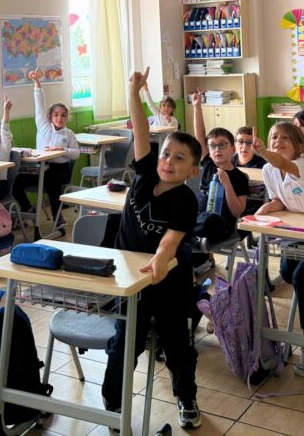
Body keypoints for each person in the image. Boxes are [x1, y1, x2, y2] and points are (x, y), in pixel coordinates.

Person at [103, 68, 201, 431]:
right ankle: (113, 404)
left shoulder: (185, 200)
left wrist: (159, 260)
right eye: (167, 154)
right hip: (130, 279)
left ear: (193, 171)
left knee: (177, 345)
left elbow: (170, 241)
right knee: (124, 343)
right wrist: (133, 92)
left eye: (180, 158)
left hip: (168, 282)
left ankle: (186, 396)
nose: (169, 161)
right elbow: (141, 130)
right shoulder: (145, 175)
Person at [254, 123, 304, 378]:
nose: (278, 141)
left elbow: (282, 163)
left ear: (299, 146)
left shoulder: (301, 166)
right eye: (274, 137)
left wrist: (263, 151)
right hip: (300, 234)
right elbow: (280, 199)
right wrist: (267, 209)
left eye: (285, 138)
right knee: (288, 273)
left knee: (301, 276)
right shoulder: (268, 170)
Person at [13, 68, 81, 231]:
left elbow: (76, 153)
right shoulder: (43, 126)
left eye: (63, 115)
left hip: (60, 170)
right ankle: (28, 208)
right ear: (50, 116)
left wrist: (62, 149)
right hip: (40, 167)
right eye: (56, 114)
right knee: (16, 181)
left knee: (51, 181)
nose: (59, 118)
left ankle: (58, 218)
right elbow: (39, 103)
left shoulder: (69, 134)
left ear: (67, 117)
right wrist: (37, 83)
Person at [190, 90, 249, 246]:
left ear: (233, 149)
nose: (217, 150)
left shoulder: (239, 177)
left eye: (222, 145)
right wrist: (197, 107)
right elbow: (200, 137)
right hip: (199, 216)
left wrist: (227, 184)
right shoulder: (209, 165)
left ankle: (188, 234)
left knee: (209, 221)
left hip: (220, 224)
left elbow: (237, 211)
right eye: (212, 146)